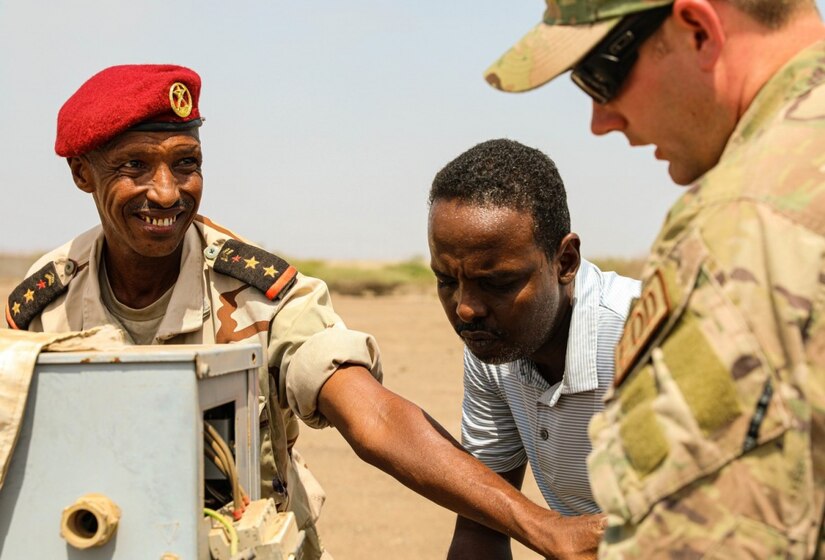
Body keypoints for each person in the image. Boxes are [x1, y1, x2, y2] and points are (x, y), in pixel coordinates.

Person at [6, 64, 593, 559]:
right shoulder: (40, 307)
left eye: (186, 163)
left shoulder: (263, 293)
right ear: (83, 173)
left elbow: (375, 419)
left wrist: (540, 525)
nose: (166, 192)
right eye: (133, 166)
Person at [484, 0, 825, 557]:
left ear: (697, 30)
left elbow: (698, 539)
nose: (601, 121)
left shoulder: (747, 224)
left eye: (602, 75)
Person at [428, 138, 640, 559]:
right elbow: (482, 525)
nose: (466, 308)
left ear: (564, 262)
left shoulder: (640, 341)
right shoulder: (496, 350)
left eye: (498, 283)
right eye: (447, 281)